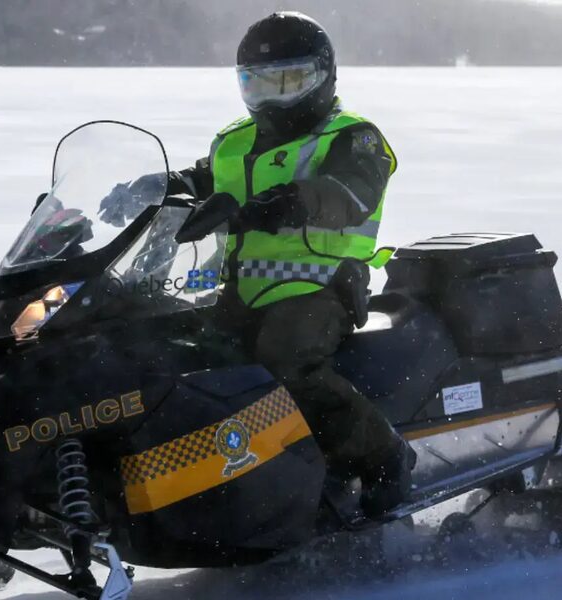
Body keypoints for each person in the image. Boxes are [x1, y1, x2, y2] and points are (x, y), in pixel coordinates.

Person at [167, 11, 413, 517]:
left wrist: (294, 201)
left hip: (318, 287)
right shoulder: (233, 141)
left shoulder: (352, 136)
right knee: (171, 358)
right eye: (256, 84)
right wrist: (152, 190)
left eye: (290, 80)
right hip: (232, 289)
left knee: (287, 363)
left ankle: (386, 456)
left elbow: (352, 191)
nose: (273, 97)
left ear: (324, 77)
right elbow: (200, 179)